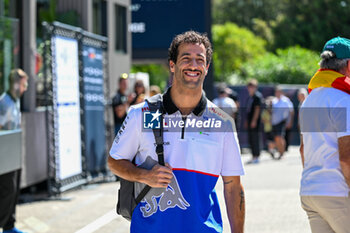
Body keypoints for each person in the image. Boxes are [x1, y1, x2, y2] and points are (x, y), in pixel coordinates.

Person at [108, 31, 245, 233]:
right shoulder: (142, 113)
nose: (193, 65)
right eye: (186, 58)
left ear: (206, 68)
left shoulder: (222, 122)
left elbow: (233, 186)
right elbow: (114, 162)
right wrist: (144, 176)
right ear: (172, 65)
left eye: (200, 60)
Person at [299, 36, 350, 233]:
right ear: (348, 65)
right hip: (337, 191)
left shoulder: (310, 100)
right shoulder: (343, 100)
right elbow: (346, 158)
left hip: (311, 191)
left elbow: (303, 150)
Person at [0, 69, 28, 233]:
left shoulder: (15, 101)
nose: (25, 88)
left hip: (13, 153)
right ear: (17, 84)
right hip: (4, 153)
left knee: (13, 189)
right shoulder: (4, 103)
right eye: (24, 84)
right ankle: (6, 226)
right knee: (6, 190)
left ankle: (9, 225)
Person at [271, 86, 293, 159]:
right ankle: (279, 152)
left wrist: (289, 121)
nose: (277, 93)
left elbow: (291, 111)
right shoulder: (274, 101)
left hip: (282, 121)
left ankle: (282, 153)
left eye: (279, 92)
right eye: (276, 92)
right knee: (277, 138)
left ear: (282, 92)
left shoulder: (286, 101)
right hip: (274, 122)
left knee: (280, 137)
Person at [246, 79, 264, 164]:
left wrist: (254, 121)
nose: (250, 88)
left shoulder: (257, 97)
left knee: (255, 138)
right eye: (249, 86)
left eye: (252, 86)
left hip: (255, 122)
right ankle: (253, 155)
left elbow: (257, 110)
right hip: (250, 120)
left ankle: (257, 156)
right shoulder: (250, 97)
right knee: (251, 138)